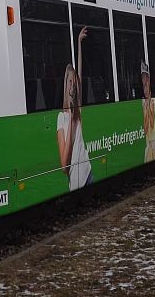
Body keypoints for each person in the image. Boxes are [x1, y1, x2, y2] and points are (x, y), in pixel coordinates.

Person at [56, 27, 92, 191]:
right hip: (76, 184)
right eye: (70, 82)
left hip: (88, 174)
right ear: (65, 85)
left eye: (74, 82)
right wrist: (71, 123)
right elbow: (64, 167)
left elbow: (80, 72)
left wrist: (79, 43)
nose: (73, 85)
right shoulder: (62, 118)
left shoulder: (78, 111)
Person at [141, 60, 155, 162]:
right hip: (148, 143)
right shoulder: (143, 103)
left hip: (153, 141)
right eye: (144, 87)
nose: (146, 90)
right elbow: (145, 128)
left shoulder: (153, 102)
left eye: (147, 86)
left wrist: (149, 106)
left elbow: (152, 124)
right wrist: (146, 105)